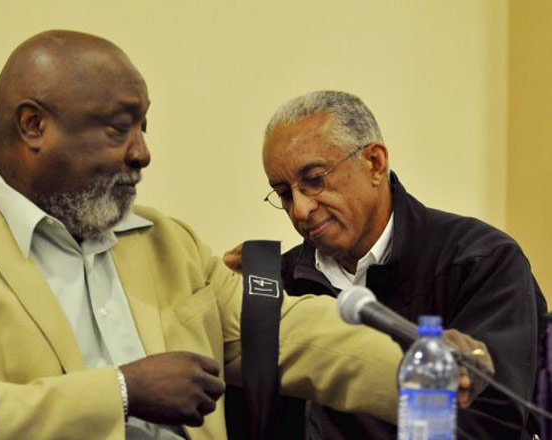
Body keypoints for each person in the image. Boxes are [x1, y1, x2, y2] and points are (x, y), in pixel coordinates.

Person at [0, 32, 489, 440]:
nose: (143, 153)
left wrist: (417, 364)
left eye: (143, 126)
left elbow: (289, 332)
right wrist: (121, 391)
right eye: (120, 129)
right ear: (33, 126)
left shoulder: (166, 243)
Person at [223, 90, 547, 439]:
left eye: (314, 180)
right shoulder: (275, 286)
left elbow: (490, 422)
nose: (300, 209)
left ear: (375, 163)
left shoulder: (480, 260)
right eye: (285, 193)